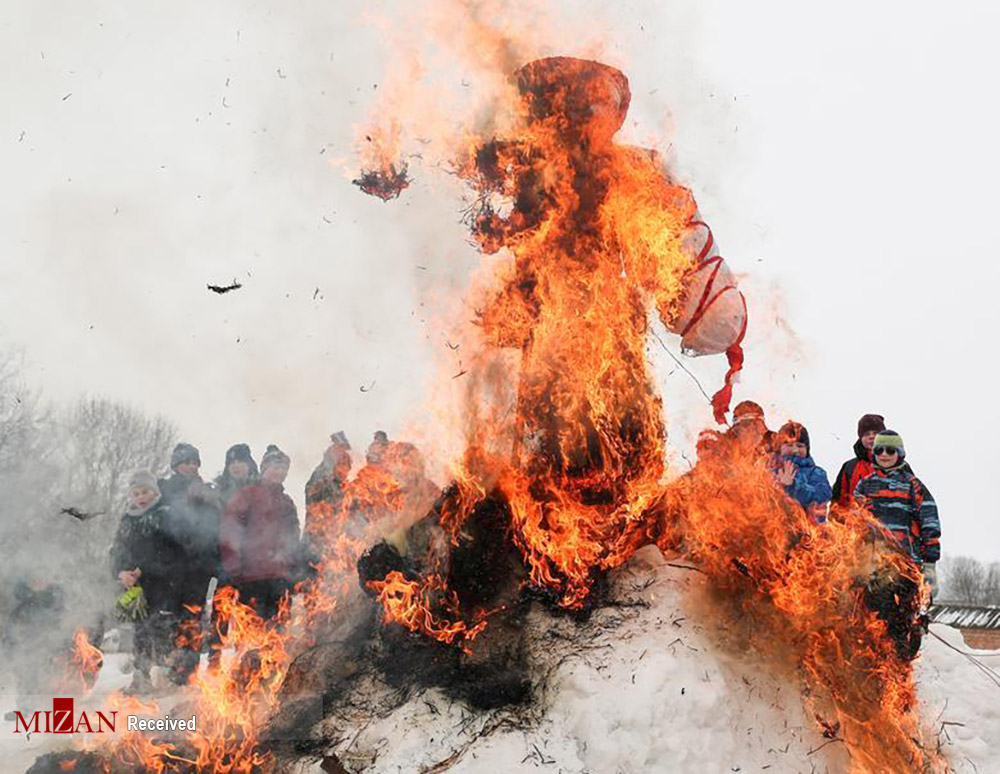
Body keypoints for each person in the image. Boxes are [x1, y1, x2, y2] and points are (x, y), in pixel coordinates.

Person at [109, 471, 187, 695]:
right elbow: (117, 551)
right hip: (137, 589)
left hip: (164, 586)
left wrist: (145, 568)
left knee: (163, 632)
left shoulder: (166, 515)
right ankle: (141, 677)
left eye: (145, 491)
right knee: (141, 634)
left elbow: (175, 552)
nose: (141, 497)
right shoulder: (127, 520)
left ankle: (166, 679)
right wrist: (121, 572)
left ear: (155, 492)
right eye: (136, 493)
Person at [157, 443, 223, 683]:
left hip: (199, 566)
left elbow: (216, 527)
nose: (191, 466)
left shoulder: (206, 491)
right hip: (171, 567)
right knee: (168, 619)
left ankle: (188, 672)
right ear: (176, 465)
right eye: (186, 462)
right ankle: (168, 670)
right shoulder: (163, 489)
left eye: (195, 462)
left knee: (192, 619)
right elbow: (157, 526)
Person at [220, 445, 304, 622]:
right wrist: (234, 568)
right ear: (264, 468)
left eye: (284, 468)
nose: (280, 472)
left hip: (280, 578)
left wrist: (294, 571)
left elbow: (293, 539)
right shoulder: (247, 494)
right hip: (251, 578)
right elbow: (230, 531)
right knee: (251, 632)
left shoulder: (287, 502)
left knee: (277, 633)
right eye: (275, 467)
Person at [853, 430, 941, 594]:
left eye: (890, 450)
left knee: (903, 612)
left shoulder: (912, 484)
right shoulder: (865, 485)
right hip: (873, 563)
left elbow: (929, 521)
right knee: (873, 613)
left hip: (905, 562)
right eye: (879, 450)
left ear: (899, 454)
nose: (884, 454)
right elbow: (855, 521)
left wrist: (930, 564)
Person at [770, 421, 832, 523]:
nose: (795, 450)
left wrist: (792, 485)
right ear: (779, 448)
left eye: (800, 446)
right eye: (789, 445)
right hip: (776, 531)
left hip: (810, 533)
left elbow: (822, 496)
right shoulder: (769, 472)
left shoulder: (816, 473)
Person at [831, 413, 886, 508]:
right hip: (857, 520)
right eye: (866, 434)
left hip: (891, 521)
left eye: (875, 433)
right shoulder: (849, 467)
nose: (871, 437)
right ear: (860, 438)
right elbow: (838, 503)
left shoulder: (898, 465)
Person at [214, 443, 259, 508]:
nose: (235, 466)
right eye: (232, 463)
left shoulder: (261, 488)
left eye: (240, 461)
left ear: (249, 464)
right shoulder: (220, 493)